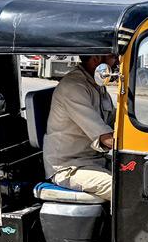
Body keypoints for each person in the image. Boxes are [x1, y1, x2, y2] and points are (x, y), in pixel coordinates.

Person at [43, 55, 119, 201]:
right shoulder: (74, 87)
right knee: (122, 187)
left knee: (144, 178)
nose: (117, 62)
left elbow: (115, 122)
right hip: (70, 167)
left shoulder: (97, 84)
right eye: (113, 57)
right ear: (96, 59)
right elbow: (106, 138)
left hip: (96, 161)